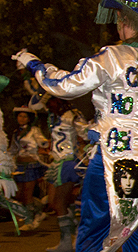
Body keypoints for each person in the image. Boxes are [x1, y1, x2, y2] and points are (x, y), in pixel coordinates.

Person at [12, 0, 138, 251]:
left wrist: (35, 65)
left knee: (96, 228)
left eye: (124, 19)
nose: (119, 25)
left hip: (114, 159)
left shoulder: (112, 57)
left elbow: (65, 86)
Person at [44, 97, 89, 251]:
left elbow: (86, 133)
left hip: (68, 162)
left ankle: (69, 240)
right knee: (54, 202)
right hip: (57, 163)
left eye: (51, 102)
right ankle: (73, 233)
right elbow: (34, 104)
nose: (49, 106)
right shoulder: (53, 117)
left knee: (60, 202)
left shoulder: (72, 115)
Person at [10, 105, 51, 231]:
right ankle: (39, 211)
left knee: (27, 194)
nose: (22, 119)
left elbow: (43, 142)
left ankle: (29, 220)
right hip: (19, 166)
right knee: (19, 194)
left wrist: (45, 142)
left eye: (24, 116)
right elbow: (12, 150)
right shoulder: (15, 132)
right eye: (20, 116)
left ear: (29, 119)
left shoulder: (34, 130)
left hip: (31, 165)